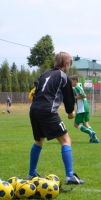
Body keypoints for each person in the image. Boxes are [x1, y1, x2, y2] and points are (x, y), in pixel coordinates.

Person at [27, 52, 85, 185]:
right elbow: (69, 100)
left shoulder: (44, 74)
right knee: (66, 140)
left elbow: (36, 92)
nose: (69, 67)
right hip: (47, 110)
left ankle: (31, 174)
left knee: (39, 141)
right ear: (66, 64)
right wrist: (71, 113)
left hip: (34, 109)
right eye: (70, 64)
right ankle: (70, 176)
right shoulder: (64, 77)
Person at [70, 75, 99, 143]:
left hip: (82, 108)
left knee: (76, 124)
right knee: (86, 124)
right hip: (86, 107)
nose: (70, 82)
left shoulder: (77, 87)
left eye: (71, 80)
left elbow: (84, 95)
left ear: (75, 80)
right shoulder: (77, 86)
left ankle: (90, 132)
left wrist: (75, 97)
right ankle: (95, 139)